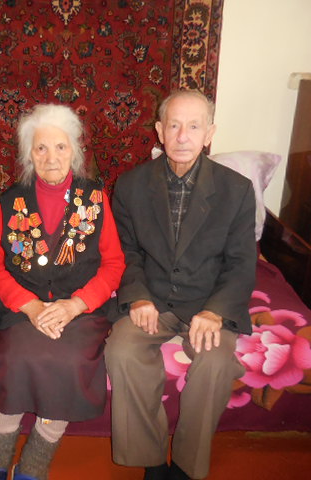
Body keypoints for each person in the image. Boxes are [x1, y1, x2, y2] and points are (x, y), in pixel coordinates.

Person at [105, 90, 257, 480]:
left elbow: (242, 263)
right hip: (153, 299)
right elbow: (125, 252)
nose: (183, 136)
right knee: (122, 349)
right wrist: (137, 297)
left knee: (216, 361)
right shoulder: (131, 185)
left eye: (193, 126)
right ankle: (152, 460)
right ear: (160, 131)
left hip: (208, 301)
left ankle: (187, 466)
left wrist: (216, 311)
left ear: (209, 134)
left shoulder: (237, 189)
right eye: (173, 125)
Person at [0, 104, 125, 480]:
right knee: (14, 357)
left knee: (68, 361)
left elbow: (113, 264)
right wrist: (28, 306)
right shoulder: (10, 202)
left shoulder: (95, 199)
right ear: (29, 154)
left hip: (80, 311)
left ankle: (34, 464)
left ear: (74, 151)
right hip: (23, 308)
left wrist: (75, 305)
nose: (51, 157)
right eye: (41, 148)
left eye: (60, 147)